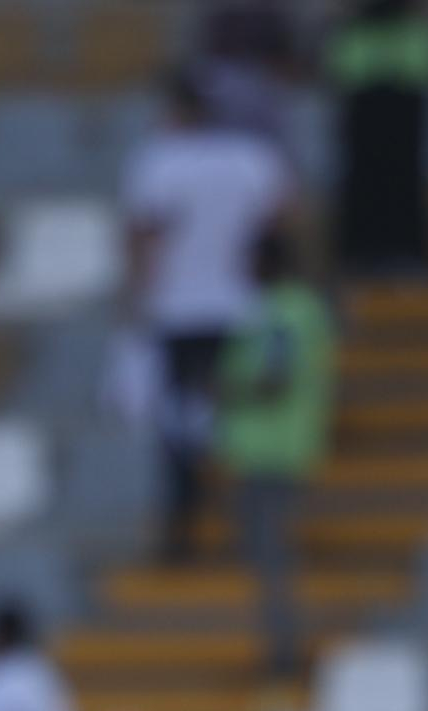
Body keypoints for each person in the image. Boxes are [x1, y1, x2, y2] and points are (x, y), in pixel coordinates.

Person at [119, 67, 290, 559]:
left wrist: (134, 299)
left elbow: (142, 234)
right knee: (241, 415)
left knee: (179, 426)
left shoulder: (158, 162)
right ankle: (249, 525)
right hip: (243, 307)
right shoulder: (252, 158)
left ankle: (184, 528)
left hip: (179, 309)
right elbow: (281, 223)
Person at [212, 225, 336, 682]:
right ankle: (278, 647)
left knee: (273, 560)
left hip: (275, 452)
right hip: (273, 449)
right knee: (267, 559)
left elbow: (274, 379)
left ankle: (283, 653)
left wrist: (226, 388)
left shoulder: (284, 313)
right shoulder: (288, 310)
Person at [328, 0, 428, 277]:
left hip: (404, 128)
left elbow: (427, 72)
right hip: (365, 128)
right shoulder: (354, 33)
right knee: (364, 185)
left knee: (405, 185)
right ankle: (362, 253)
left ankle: (407, 252)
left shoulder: (416, 32)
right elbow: (343, 75)